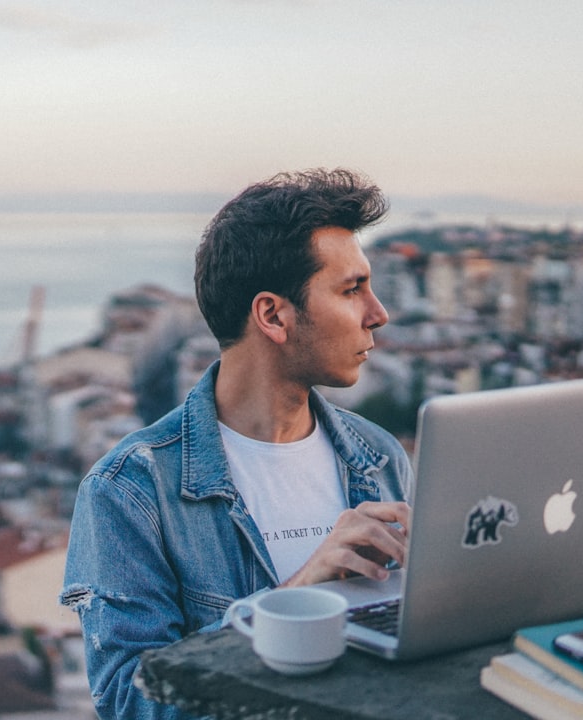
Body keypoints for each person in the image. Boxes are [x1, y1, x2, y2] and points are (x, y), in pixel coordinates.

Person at [60, 168, 414, 720]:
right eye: (351, 290)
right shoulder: (130, 491)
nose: (378, 314)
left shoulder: (381, 457)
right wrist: (290, 604)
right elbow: (130, 703)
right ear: (273, 314)